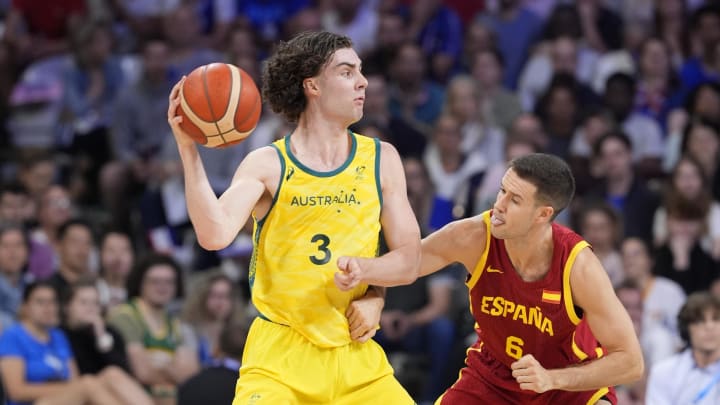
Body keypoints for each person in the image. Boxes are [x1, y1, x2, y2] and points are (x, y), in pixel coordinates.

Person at [166, 31, 421, 404]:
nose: (363, 82)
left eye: (361, 71)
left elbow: (410, 261)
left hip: (355, 357)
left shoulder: (383, 159)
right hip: (280, 359)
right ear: (312, 85)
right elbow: (215, 234)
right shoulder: (268, 163)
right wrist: (188, 150)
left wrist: (372, 287)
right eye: (348, 72)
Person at [419, 153, 644, 404]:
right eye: (501, 191)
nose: (499, 206)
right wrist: (373, 297)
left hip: (566, 383)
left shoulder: (578, 265)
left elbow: (631, 362)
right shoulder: (473, 235)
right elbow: (402, 264)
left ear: (542, 214)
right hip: (493, 377)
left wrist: (552, 379)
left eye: (514, 199)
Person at [646, 291, 720, 404]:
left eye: (716, 319)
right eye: (700, 321)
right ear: (686, 329)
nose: (709, 327)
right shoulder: (663, 372)